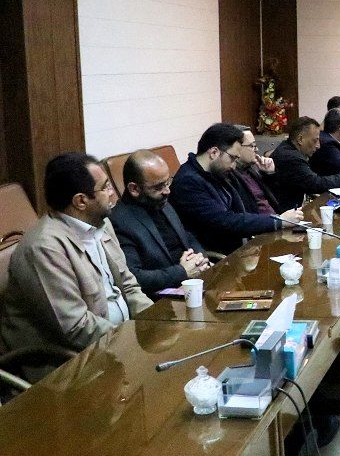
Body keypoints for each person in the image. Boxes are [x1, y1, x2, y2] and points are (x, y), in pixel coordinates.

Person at [0, 153, 153, 376]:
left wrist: (156, 323)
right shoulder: (45, 247)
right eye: (105, 187)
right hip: (72, 363)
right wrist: (130, 342)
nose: (113, 193)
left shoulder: (101, 224)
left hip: (118, 341)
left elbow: (128, 284)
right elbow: (76, 328)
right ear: (81, 201)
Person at [170, 123, 303, 254]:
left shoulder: (217, 172)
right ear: (214, 152)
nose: (234, 166)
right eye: (232, 158)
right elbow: (225, 221)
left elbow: (246, 209)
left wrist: (269, 176)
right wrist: (278, 221)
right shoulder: (188, 182)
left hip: (244, 245)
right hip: (219, 255)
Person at [110, 150, 211, 296]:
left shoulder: (161, 201)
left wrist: (200, 258)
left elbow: (186, 235)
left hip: (194, 281)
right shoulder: (119, 221)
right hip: (163, 296)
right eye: (158, 187)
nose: (167, 191)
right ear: (134, 189)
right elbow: (133, 276)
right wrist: (182, 272)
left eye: (167, 182)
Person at [269, 115, 340, 211]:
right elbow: (316, 184)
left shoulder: (289, 149)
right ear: (300, 139)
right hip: (286, 214)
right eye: (315, 140)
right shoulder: (291, 158)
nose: (318, 146)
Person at [228, 125, 283, 216]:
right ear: (236, 147)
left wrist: (269, 174)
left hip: (277, 219)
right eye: (252, 146)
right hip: (263, 223)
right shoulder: (229, 177)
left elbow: (278, 202)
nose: (257, 149)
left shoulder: (251, 170)